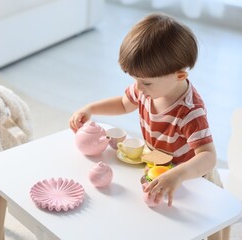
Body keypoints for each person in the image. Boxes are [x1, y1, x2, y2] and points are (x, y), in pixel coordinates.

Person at [69, 13, 220, 208]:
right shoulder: (148, 90)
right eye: (135, 80)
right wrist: (90, 108)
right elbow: (124, 104)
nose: (138, 88)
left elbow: (208, 157)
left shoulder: (190, 112)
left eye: (145, 82)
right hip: (162, 170)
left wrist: (178, 174)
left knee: (206, 226)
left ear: (179, 75)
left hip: (193, 179)